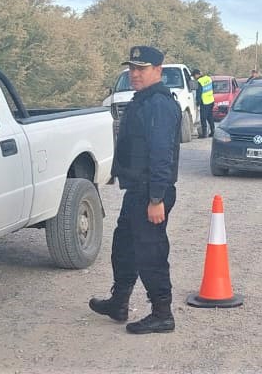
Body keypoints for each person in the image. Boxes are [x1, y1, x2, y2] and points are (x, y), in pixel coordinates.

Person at [89, 45, 181, 335]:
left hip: (151, 193)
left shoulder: (159, 105)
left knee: (150, 253)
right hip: (137, 191)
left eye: (141, 69)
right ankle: (119, 302)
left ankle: (162, 314)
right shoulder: (143, 100)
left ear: (158, 71)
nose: (134, 74)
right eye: (132, 68)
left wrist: (156, 198)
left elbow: (161, 154)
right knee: (124, 248)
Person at [194, 69, 215, 138]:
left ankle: (204, 134)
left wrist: (197, 103)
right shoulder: (208, 78)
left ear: (197, 75)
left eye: (194, 76)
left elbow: (199, 94)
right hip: (211, 100)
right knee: (210, 117)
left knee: (203, 119)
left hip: (205, 102)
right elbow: (213, 88)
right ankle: (213, 132)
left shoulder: (199, 81)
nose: (194, 77)